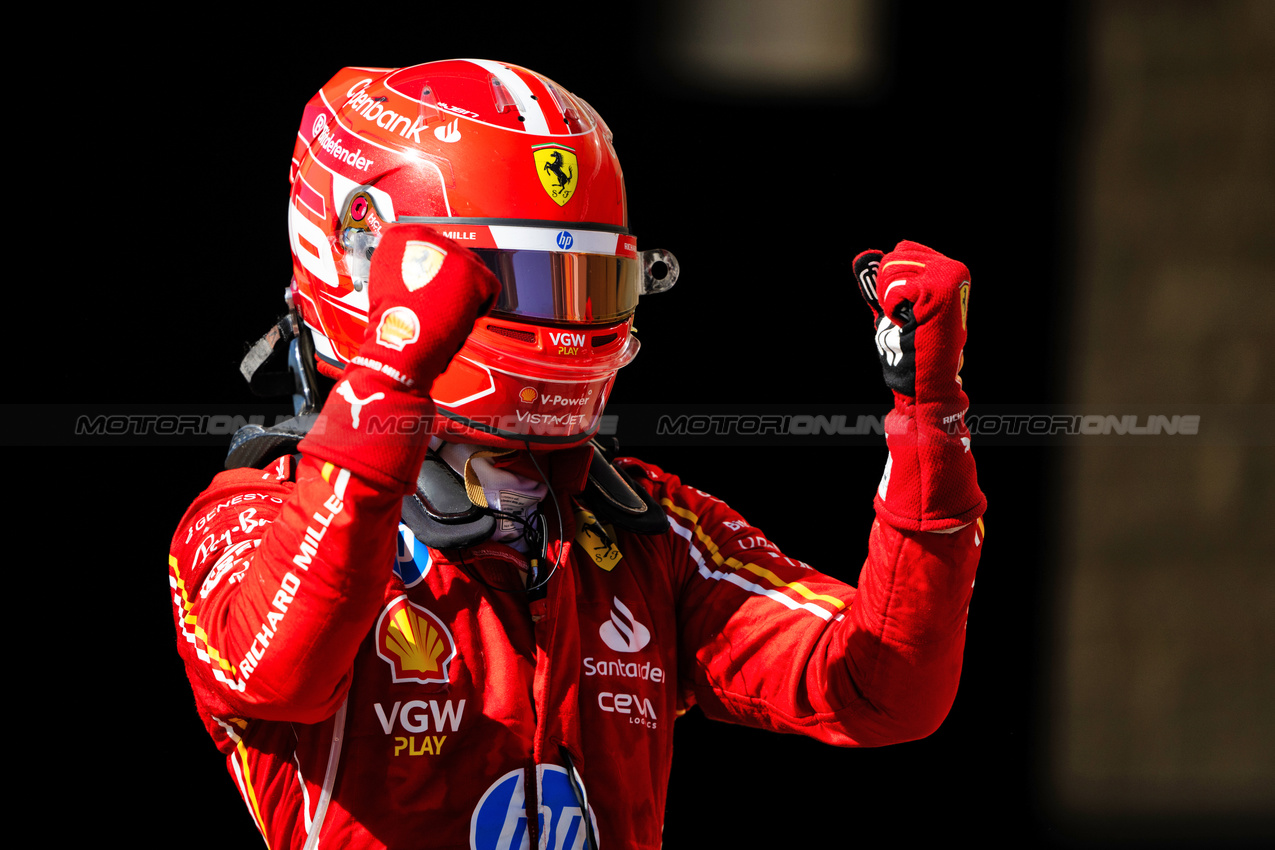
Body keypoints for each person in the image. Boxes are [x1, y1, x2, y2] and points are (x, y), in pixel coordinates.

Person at [168, 59, 986, 850]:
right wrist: (391, 375)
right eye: (525, 282)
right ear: (369, 267)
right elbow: (280, 679)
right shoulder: (246, 519)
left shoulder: (649, 527)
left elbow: (881, 692)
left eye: (590, 283)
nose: (567, 331)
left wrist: (928, 419)